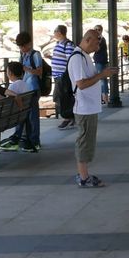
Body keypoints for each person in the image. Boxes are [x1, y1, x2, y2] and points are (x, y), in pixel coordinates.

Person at [69, 29, 115, 188]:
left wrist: (103, 74)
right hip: (84, 107)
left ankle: (83, 174)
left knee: (88, 140)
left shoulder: (84, 56)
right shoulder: (77, 58)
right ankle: (83, 177)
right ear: (87, 40)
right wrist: (102, 75)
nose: (98, 46)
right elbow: (81, 84)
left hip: (89, 106)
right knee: (84, 141)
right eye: (96, 42)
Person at [3, 31, 43, 152]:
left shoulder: (35, 55)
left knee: (33, 117)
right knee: (24, 115)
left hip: (33, 88)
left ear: (29, 44)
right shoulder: (23, 55)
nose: (22, 49)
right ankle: (23, 139)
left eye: (23, 46)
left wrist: (26, 69)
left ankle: (35, 141)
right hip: (24, 89)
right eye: (20, 47)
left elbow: (39, 72)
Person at [50, 25, 77, 128]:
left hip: (63, 75)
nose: (54, 33)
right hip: (57, 75)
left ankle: (67, 117)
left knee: (62, 97)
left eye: (55, 31)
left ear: (60, 32)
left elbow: (71, 60)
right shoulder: (58, 44)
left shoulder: (68, 45)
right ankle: (69, 117)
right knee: (60, 97)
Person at [94, 24, 110, 105]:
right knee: (102, 79)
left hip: (100, 61)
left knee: (102, 79)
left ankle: (105, 98)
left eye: (99, 29)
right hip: (100, 60)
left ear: (101, 30)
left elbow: (96, 49)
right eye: (95, 29)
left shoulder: (101, 39)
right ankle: (104, 97)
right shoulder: (100, 39)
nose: (97, 31)